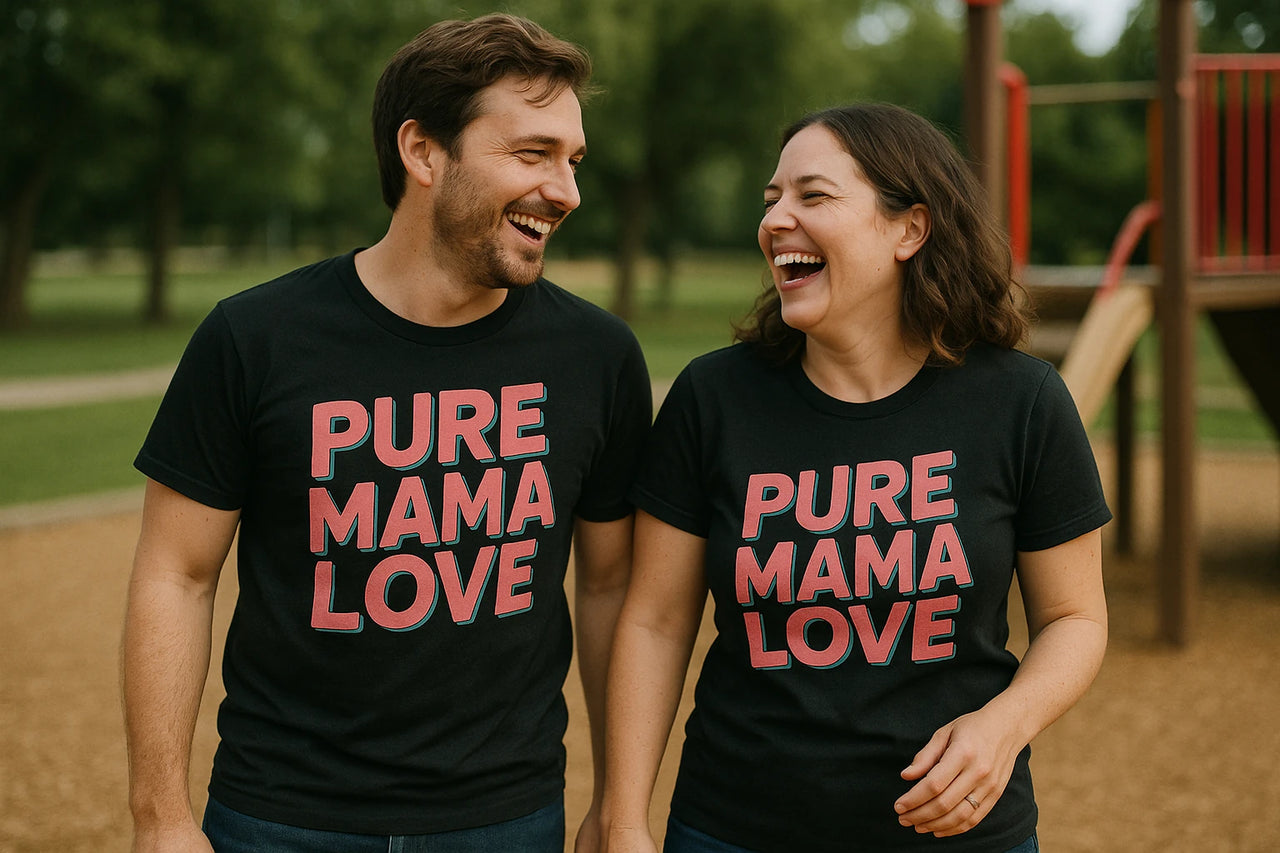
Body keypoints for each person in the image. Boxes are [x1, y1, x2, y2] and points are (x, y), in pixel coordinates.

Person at [122, 13, 651, 853]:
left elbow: (610, 588)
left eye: (573, 159)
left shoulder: (600, 356)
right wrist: (161, 816)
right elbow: (176, 574)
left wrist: (620, 810)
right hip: (277, 816)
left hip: (506, 820)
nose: (567, 190)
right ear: (423, 152)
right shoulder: (254, 338)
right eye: (532, 154)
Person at [599, 102, 1110, 853]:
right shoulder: (713, 399)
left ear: (911, 228)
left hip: (958, 835)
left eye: (813, 195)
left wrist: (1005, 725)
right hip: (733, 828)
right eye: (771, 199)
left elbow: (1076, 619)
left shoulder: (1021, 402)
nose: (777, 219)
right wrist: (623, 819)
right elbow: (655, 620)